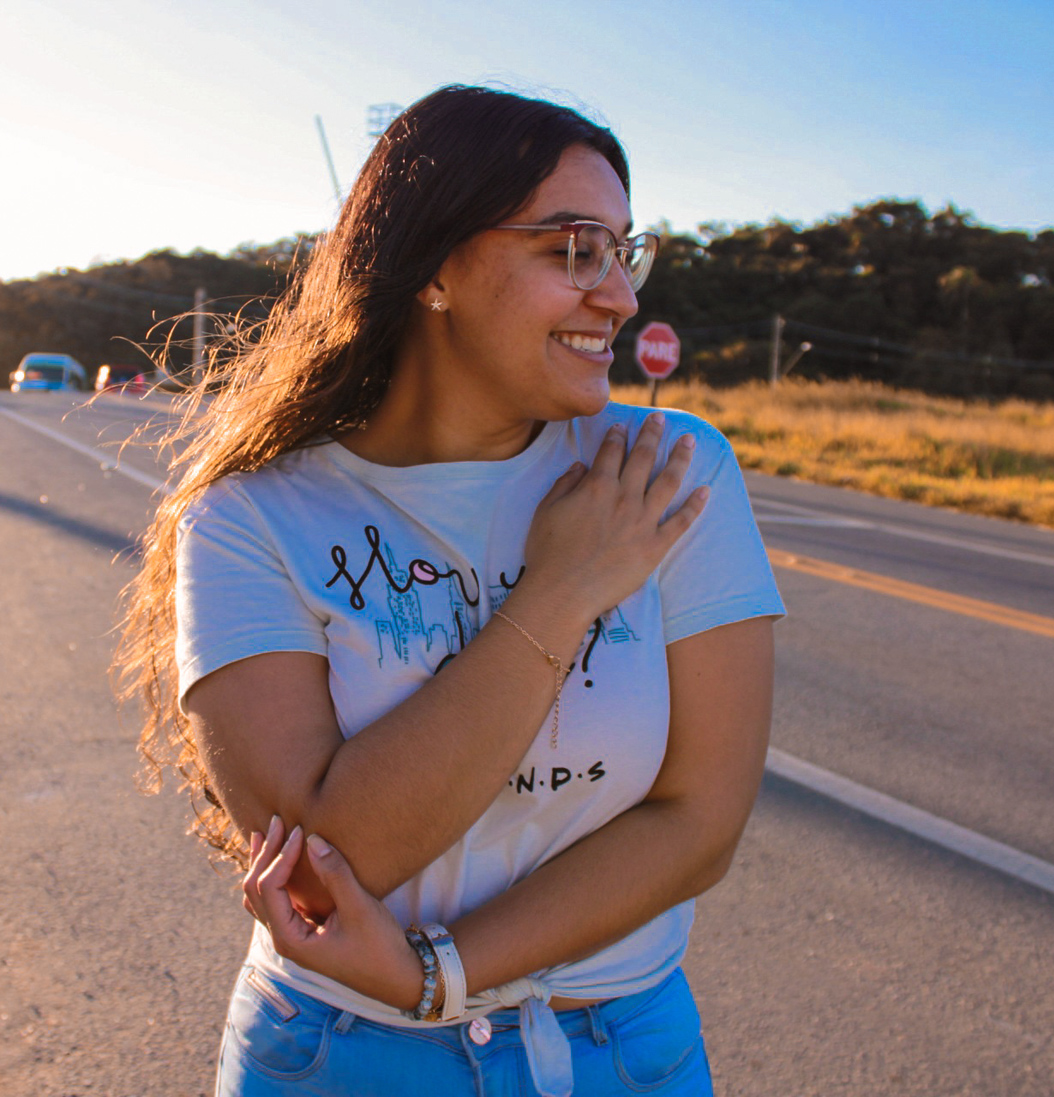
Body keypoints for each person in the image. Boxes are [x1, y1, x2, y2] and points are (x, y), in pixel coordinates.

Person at [117, 84, 785, 1097]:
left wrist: (444, 974)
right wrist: (560, 593)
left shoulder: (667, 468)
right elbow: (329, 858)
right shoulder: (250, 519)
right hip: (342, 1056)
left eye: (624, 251)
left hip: (622, 1048)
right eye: (574, 251)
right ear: (433, 268)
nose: (622, 296)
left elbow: (702, 817)